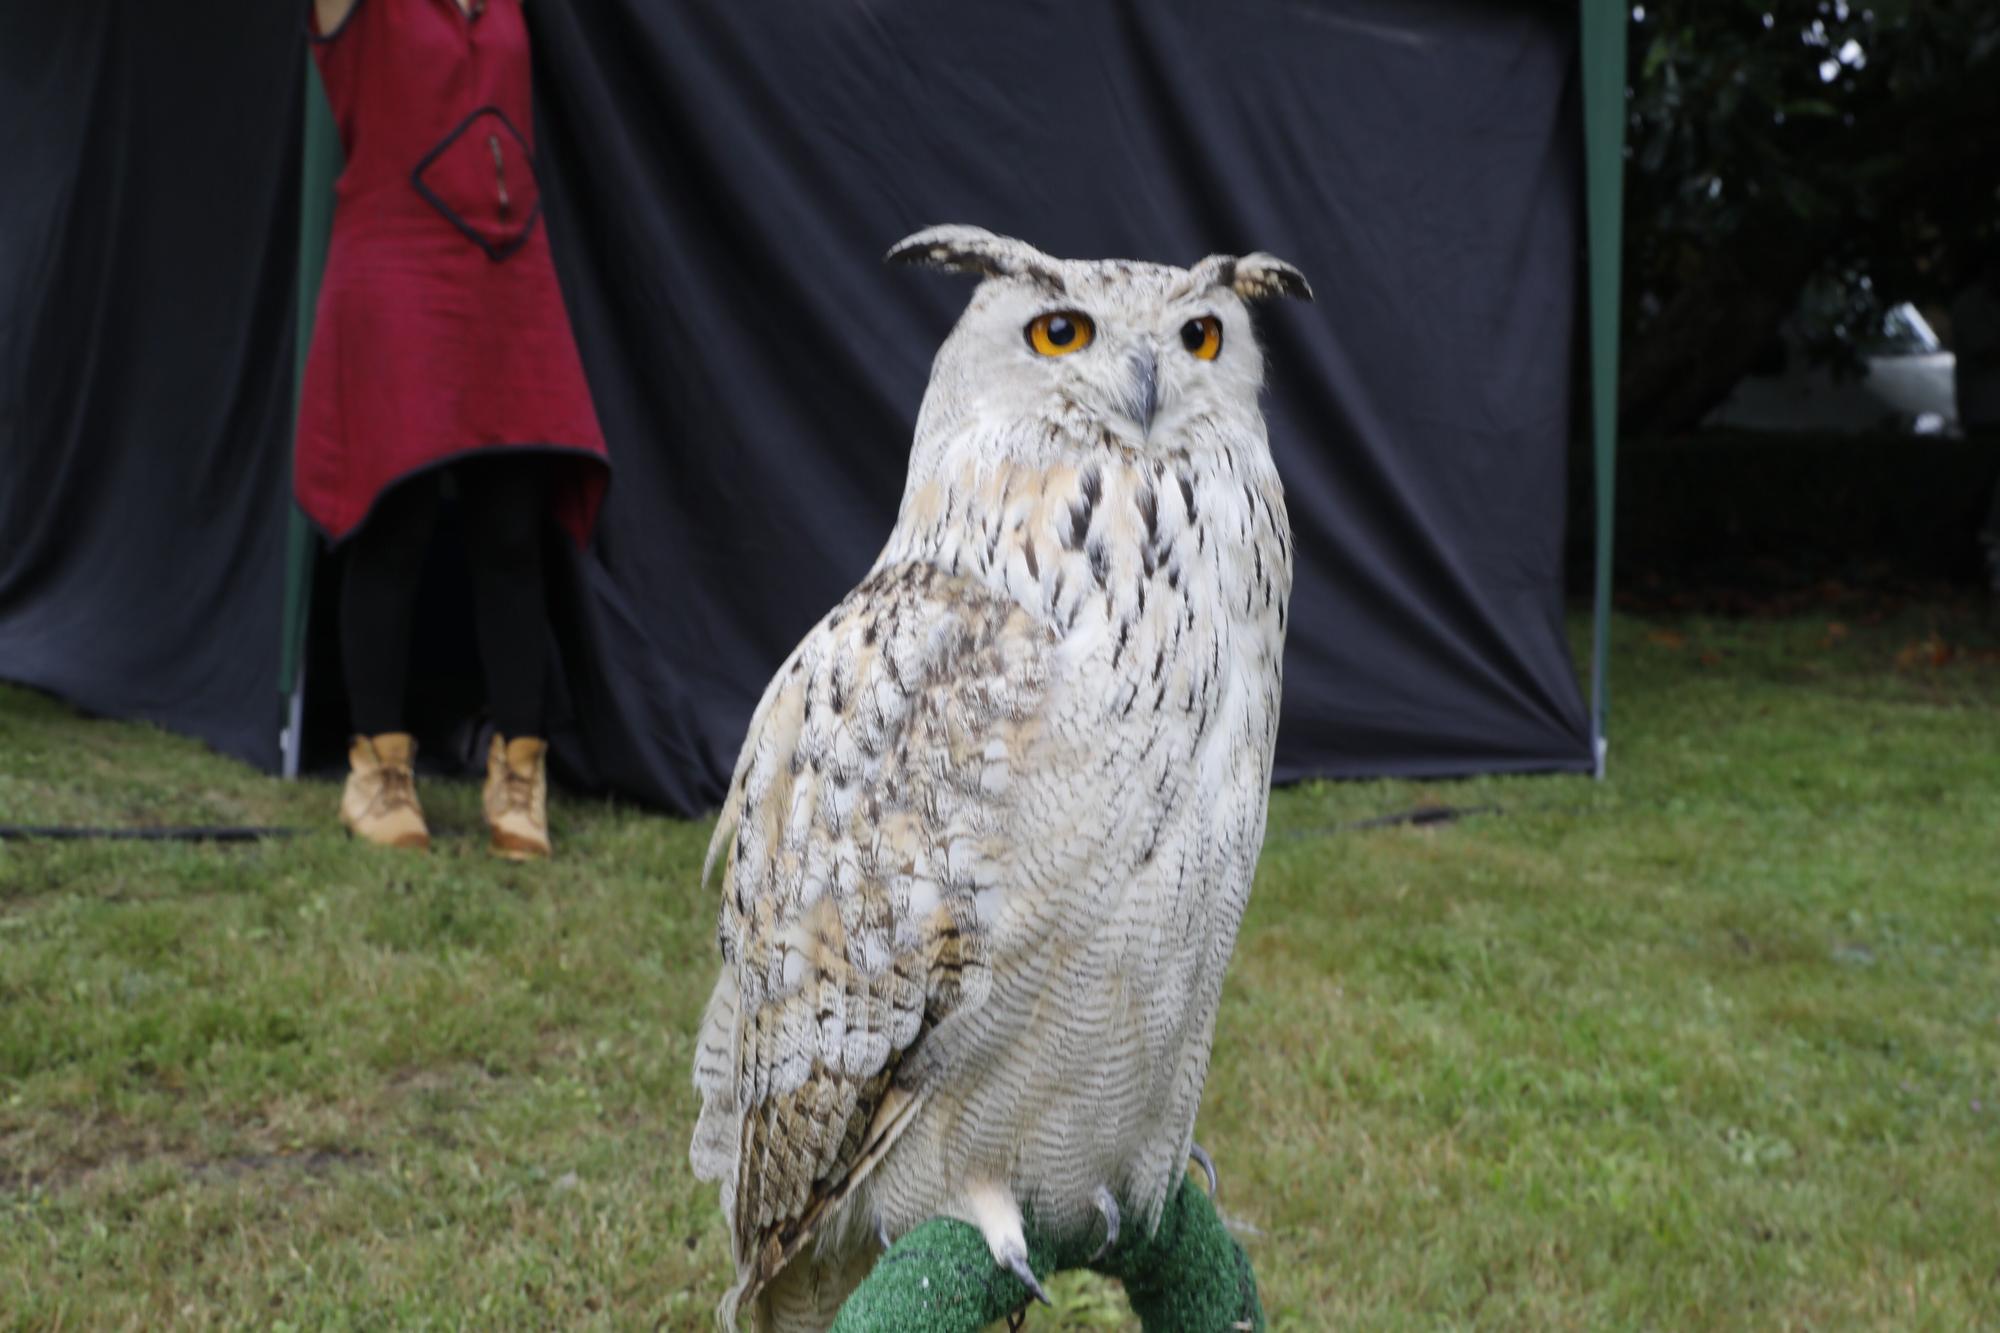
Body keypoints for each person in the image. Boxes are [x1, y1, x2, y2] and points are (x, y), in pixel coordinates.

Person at [298, 0, 610, 858]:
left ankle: (520, 770)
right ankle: (378, 772)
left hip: (506, 274)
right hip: (394, 260)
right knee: (392, 516)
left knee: (510, 526)